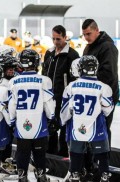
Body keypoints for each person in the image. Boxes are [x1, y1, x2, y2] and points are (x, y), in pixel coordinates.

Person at [60, 55, 114, 182]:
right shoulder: (104, 87)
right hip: (96, 126)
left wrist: (63, 121)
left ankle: (75, 177)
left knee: (76, 152)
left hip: (77, 125)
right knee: (102, 153)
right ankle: (104, 177)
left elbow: (65, 110)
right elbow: (108, 109)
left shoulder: (71, 86)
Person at [8, 49, 56, 182]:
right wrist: (51, 117)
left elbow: (12, 105)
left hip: (22, 123)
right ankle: (41, 177)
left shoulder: (13, 81)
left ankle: (22, 180)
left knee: (22, 152)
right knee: (39, 152)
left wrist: (11, 120)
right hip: (39, 122)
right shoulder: (44, 80)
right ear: (36, 62)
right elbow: (48, 103)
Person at [42, 25, 79, 157]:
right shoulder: (49, 53)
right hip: (48, 97)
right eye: (53, 38)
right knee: (49, 126)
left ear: (65, 37)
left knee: (63, 126)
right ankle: (50, 153)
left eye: (58, 39)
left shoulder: (72, 55)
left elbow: (75, 78)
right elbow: (44, 73)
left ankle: (63, 153)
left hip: (63, 97)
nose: (56, 42)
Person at [82, 19, 119, 145]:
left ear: (97, 30)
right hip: (92, 95)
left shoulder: (107, 47)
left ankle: (102, 159)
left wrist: (89, 81)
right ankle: (91, 159)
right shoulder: (89, 47)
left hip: (105, 96)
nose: (86, 37)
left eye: (89, 34)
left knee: (102, 129)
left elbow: (109, 74)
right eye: (84, 34)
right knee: (90, 128)